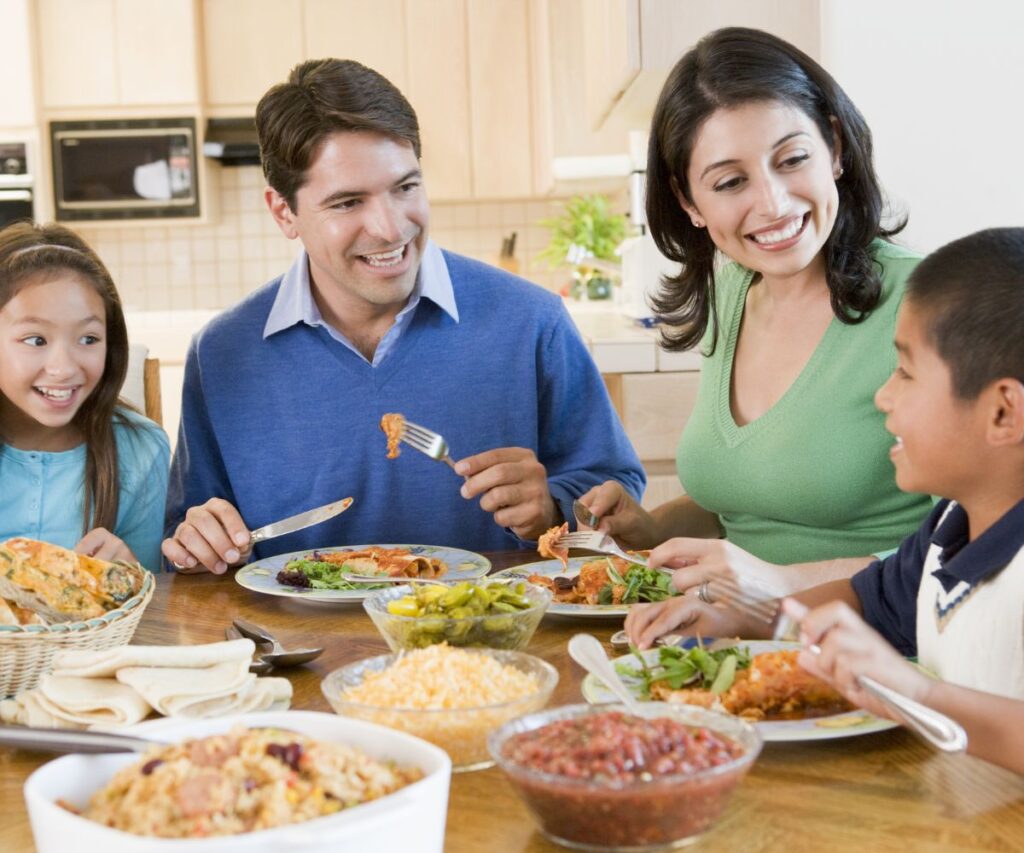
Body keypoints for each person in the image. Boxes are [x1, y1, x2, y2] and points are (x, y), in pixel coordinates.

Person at [162, 58, 644, 574]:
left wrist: (553, 508)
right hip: (297, 649)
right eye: (348, 203)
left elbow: (615, 493)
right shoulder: (222, 354)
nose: (390, 228)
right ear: (284, 212)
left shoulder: (531, 322)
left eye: (405, 187)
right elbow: (184, 545)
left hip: (487, 641)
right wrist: (197, 546)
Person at [628, 229, 1024, 772]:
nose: (883, 395)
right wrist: (740, 618)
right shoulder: (950, 528)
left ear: (1004, 412)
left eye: (906, 373)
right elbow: (870, 602)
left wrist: (913, 692)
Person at [580, 27, 933, 591]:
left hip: (879, 652)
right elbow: (752, 506)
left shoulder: (926, 301)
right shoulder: (731, 291)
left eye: (792, 158)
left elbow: (976, 553)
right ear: (688, 201)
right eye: (730, 181)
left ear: (835, 148)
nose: (772, 203)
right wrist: (647, 528)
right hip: (743, 640)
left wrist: (779, 582)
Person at [0, 221, 169, 570]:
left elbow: (149, 606)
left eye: (88, 339)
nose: (63, 368)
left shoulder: (140, 449)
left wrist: (132, 574)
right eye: (35, 340)